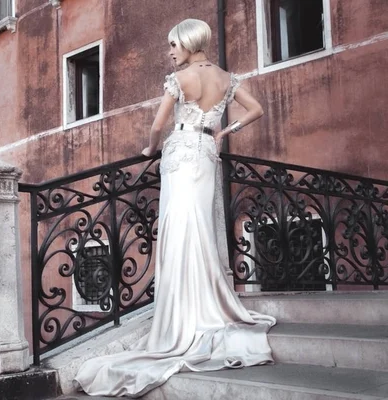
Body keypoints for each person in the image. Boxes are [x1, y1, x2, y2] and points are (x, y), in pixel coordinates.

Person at [72, 18, 276, 398]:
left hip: (181, 152)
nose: (169, 51)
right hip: (206, 153)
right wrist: (223, 133)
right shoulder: (225, 78)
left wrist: (151, 148)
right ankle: (205, 305)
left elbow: (157, 125)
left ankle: (181, 315)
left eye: (173, 45)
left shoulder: (179, 80)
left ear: (187, 43)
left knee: (179, 229)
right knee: (196, 226)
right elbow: (256, 109)